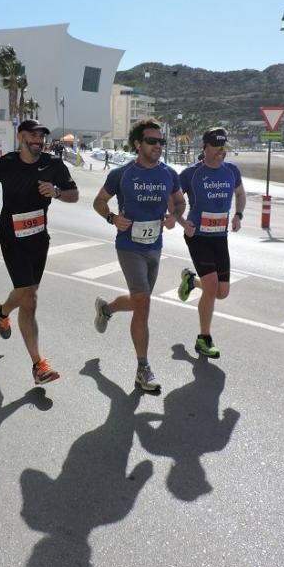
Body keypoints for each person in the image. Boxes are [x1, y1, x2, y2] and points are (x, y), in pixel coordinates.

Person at [0, 119, 78, 386]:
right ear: (21, 136)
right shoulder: (6, 162)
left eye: (41, 135)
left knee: (26, 294)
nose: (38, 139)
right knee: (29, 296)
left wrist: (56, 192)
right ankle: (38, 364)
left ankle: (2, 312)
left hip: (39, 239)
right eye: (32, 134)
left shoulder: (53, 164)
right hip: (12, 238)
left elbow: (74, 194)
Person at [91, 118, 183, 392]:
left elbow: (179, 202)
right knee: (143, 304)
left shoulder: (168, 173)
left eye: (161, 142)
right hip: (129, 247)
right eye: (152, 141)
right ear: (137, 144)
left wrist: (174, 217)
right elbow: (98, 201)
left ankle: (106, 309)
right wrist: (112, 218)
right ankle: (143, 368)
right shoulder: (122, 174)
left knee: (138, 301)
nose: (158, 146)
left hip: (154, 246)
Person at [174, 127, 246, 359]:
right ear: (205, 147)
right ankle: (203, 338)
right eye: (217, 148)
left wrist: (238, 215)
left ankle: (191, 281)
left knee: (222, 292)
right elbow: (173, 199)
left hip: (219, 236)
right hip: (198, 237)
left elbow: (241, 194)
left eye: (224, 148)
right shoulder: (191, 174)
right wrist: (182, 222)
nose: (221, 152)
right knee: (213, 286)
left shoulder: (231, 171)